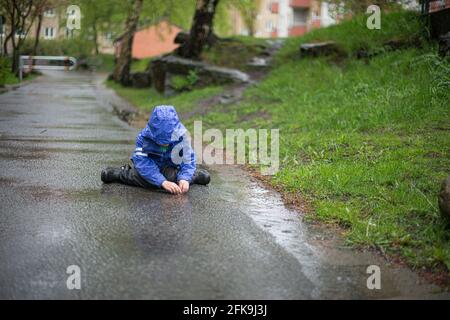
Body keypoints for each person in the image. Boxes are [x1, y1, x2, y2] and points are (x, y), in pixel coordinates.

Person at [101, 105, 210, 194]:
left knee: (177, 179)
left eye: (168, 141)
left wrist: (184, 178)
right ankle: (121, 174)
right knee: (143, 177)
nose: (165, 145)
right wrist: (162, 182)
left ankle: (193, 176)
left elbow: (188, 159)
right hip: (150, 168)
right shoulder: (144, 138)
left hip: (169, 169)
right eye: (160, 142)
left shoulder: (181, 137)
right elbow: (142, 163)